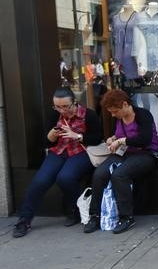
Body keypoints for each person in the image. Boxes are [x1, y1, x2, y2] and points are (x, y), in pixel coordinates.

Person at [12, 88, 102, 237]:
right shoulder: (54, 115)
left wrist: (78, 136)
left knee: (65, 177)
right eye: (57, 106)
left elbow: (97, 138)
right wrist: (51, 136)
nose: (61, 110)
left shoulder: (89, 114)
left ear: (74, 102)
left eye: (65, 106)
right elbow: (47, 143)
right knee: (40, 181)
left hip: (81, 151)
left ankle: (77, 210)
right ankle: (24, 220)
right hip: (59, 151)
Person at [84, 89, 158, 234]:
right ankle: (94, 215)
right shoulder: (119, 118)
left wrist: (120, 141)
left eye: (115, 111)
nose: (113, 115)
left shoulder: (143, 115)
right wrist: (112, 138)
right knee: (100, 173)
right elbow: (119, 135)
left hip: (146, 154)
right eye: (111, 112)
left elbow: (144, 140)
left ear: (125, 104)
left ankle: (126, 217)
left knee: (119, 175)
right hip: (125, 153)